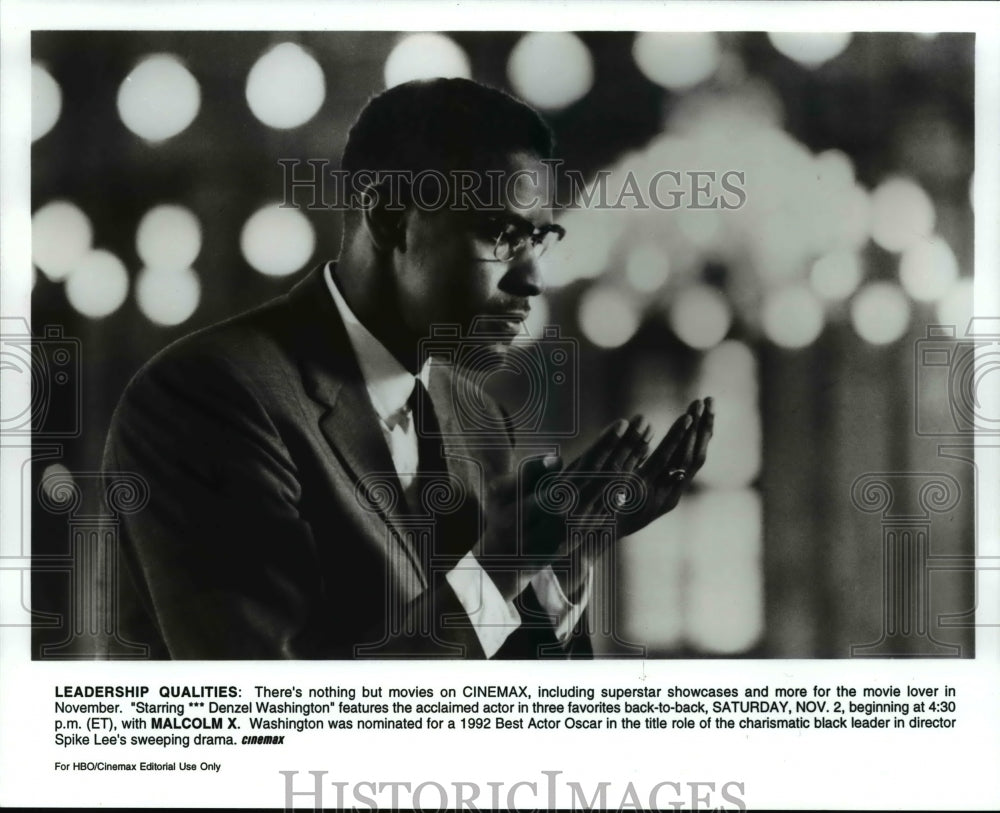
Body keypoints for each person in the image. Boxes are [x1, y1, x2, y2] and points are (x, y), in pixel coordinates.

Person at [103, 77, 713, 659]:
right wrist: (502, 566)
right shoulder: (209, 397)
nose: (531, 278)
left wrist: (570, 553)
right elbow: (270, 715)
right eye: (501, 233)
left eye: (540, 240)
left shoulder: (477, 420)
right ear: (391, 219)